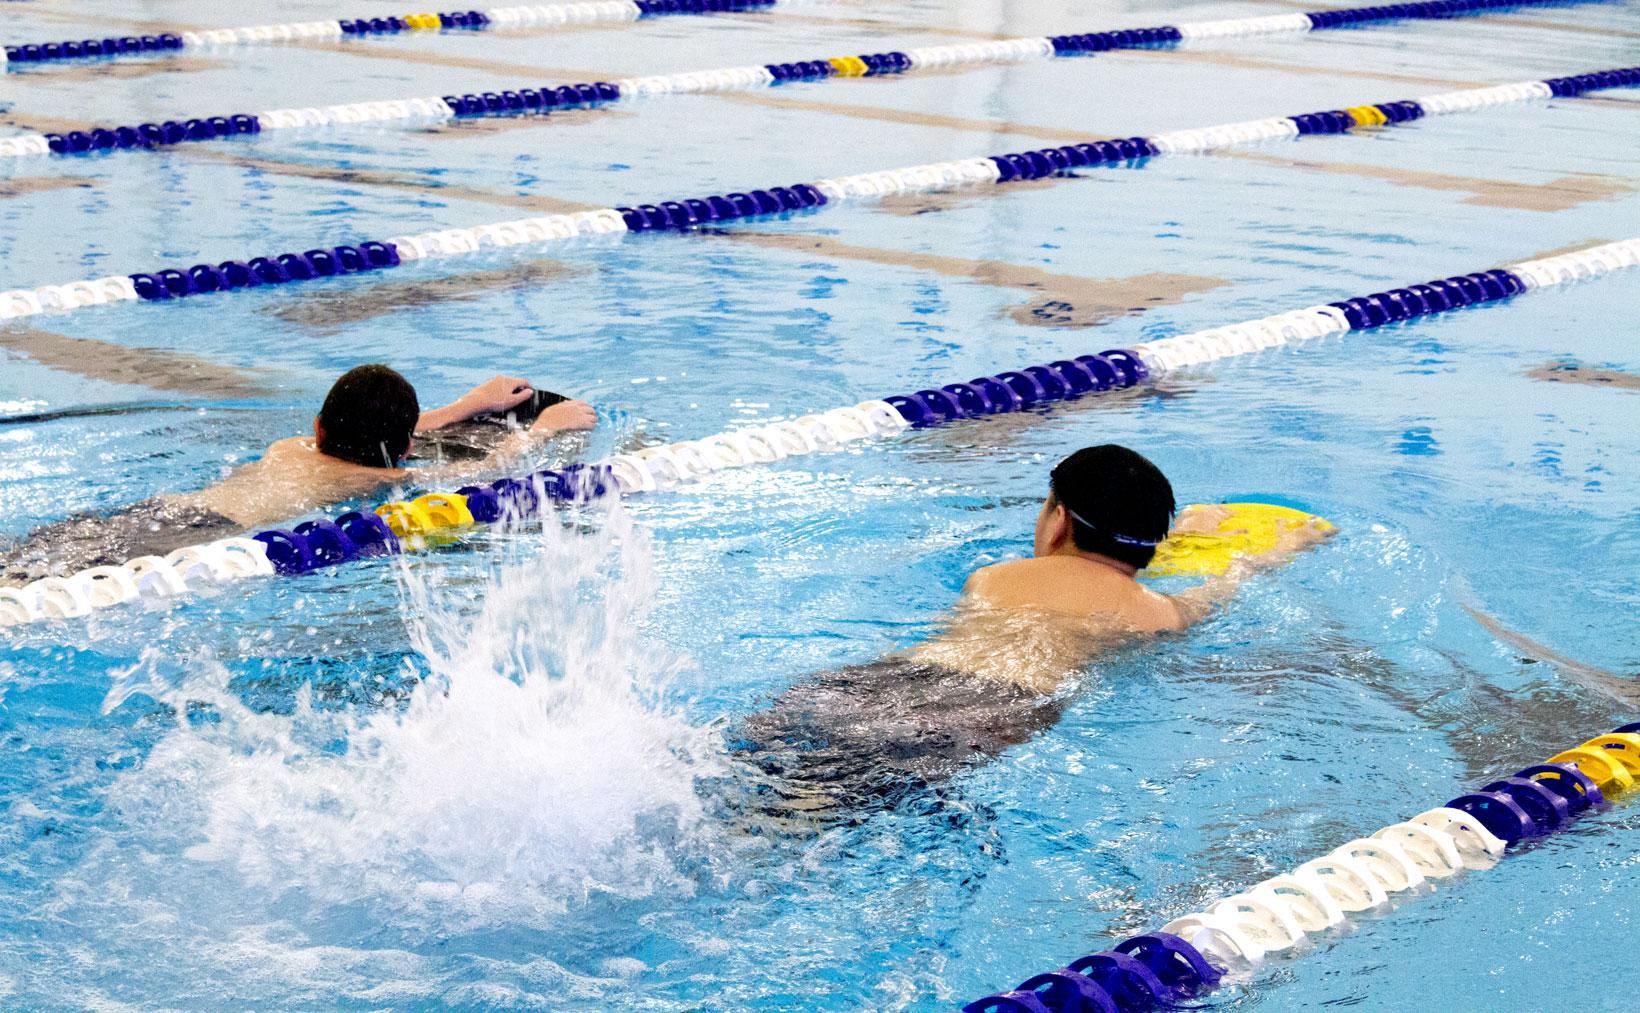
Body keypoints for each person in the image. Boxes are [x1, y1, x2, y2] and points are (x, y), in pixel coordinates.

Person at [733, 444, 1333, 815]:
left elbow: (1075, 568)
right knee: (805, 819)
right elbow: (1222, 586)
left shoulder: (993, 577)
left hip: (876, 682)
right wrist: (1272, 549)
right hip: (990, 710)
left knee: (742, 775)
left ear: (1058, 520)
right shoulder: (1156, 614)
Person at [0, 364, 597, 584]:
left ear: (317, 427)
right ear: (403, 451)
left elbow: (410, 431)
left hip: (156, 512)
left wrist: (468, 402)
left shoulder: (290, 448)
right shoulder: (377, 481)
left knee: (23, 567)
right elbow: (491, 465)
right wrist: (545, 429)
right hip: (190, 540)